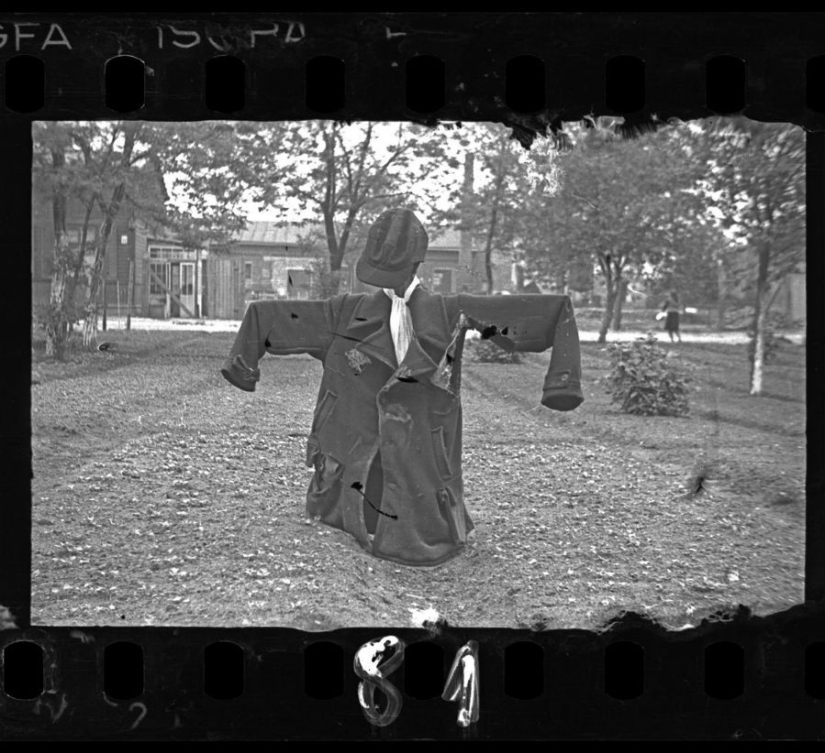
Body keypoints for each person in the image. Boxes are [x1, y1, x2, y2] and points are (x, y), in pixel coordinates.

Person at [220, 208, 585, 567]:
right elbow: (267, 315)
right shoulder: (344, 313)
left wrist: (562, 383)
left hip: (421, 467)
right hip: (352, 468)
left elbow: (551, 312)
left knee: (419, 516)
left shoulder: (449, 312)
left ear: (415, 264)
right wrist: (242, 363)